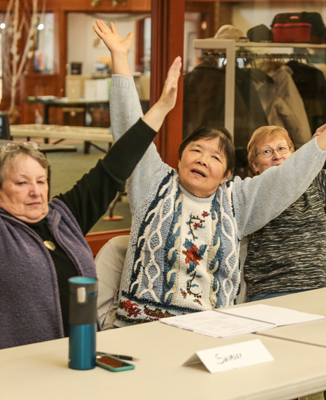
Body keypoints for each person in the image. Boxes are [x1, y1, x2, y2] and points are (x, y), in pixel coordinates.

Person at [93, 19, 326, 327]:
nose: (203, 159)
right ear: (178, 160)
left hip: (208, 332)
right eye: (195, 150)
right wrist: (120, 59)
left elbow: (285, 179)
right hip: (140, 330)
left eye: (215, 156)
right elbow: (128, 133)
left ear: (228, 173)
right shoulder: (153, 184)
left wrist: (320, 144)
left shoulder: (236, 201)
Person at [0, 55, 181, 355]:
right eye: (21, 182)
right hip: (8, 371)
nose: (35, 191)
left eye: (41, 181)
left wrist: (160, 109)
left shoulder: (63, 217)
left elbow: (114, 167)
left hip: (79, 361)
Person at [242, 125, 326, 302]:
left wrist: (315, 151)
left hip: (318, 288)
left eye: (282, 148)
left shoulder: (315, 183)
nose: (277, 155)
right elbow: (285, 179)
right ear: (255, 165)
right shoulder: (254, 191)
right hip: (271, 291)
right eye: (266, 151)